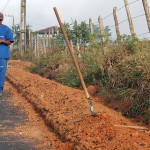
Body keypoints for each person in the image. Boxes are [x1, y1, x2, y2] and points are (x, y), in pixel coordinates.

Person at [0, 12, 14, 96]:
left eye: (0, 20)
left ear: (2, 19)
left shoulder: (6, 29)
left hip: (2, 55)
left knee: (1, 73)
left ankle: (0, 90)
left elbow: (10, 41)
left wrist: (2, 41)